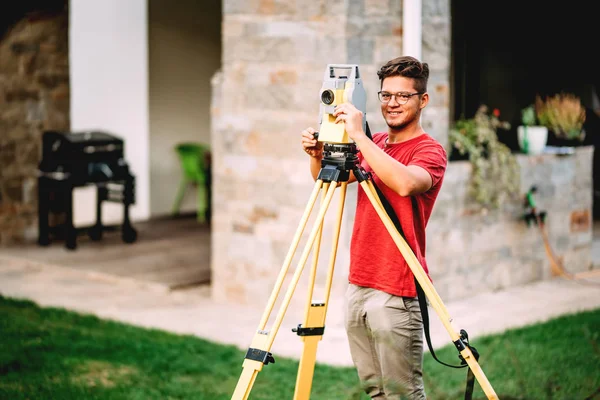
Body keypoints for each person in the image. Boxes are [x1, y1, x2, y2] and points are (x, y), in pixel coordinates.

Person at [300, 56, 447, 399]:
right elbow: (331, 180)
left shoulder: (429, 151)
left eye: (403, 96)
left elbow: (406, 183)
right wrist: (316, 153)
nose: (392, 104)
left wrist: (358, 137)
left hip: (396, 288)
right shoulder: (376, 142)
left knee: (402, 393)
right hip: (360, 283)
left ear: (422, 100)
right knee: (374, 391)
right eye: (385, 95)